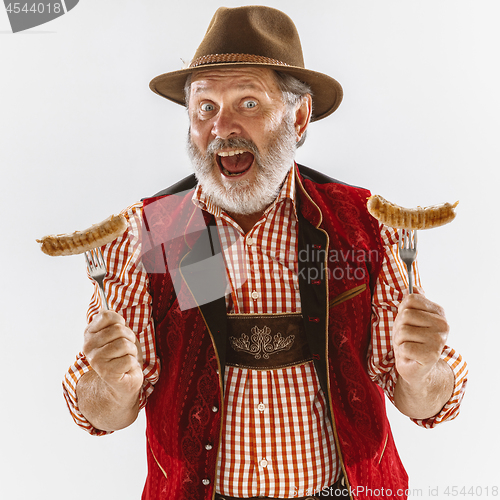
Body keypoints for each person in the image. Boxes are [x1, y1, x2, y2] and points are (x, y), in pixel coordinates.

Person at [63, 6, 467, 500]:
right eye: (205, 107)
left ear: (298, 117)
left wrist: (422, 370)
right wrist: (112, 386)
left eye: (248, 103)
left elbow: (423, 402)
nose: (222, 127)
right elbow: (104, 412)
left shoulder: (364, 225)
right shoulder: (153, 231)